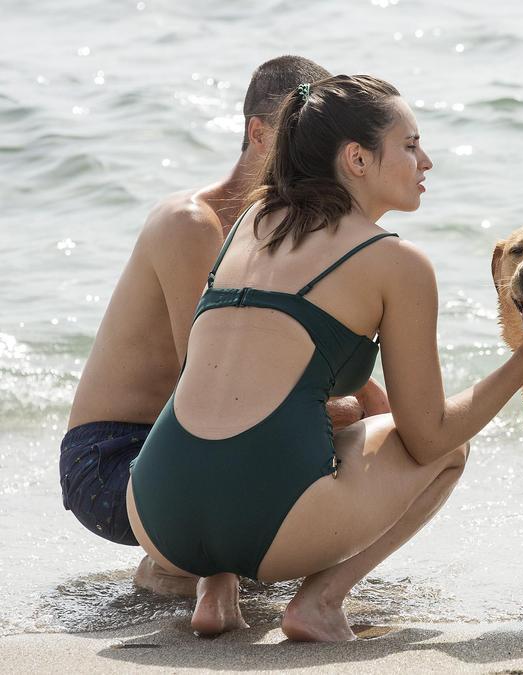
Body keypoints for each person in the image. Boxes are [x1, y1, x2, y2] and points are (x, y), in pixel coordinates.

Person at [125, 74, 523, 641]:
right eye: (409, 145)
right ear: (356, 158)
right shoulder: (395, 263)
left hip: (156, 511)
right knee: (450, 449)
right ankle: (320, 603)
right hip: (265, 525)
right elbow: (428, 437)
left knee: (268, 412)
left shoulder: (250, 224)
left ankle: (216, 587)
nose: (426, 161)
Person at [59, 56, 373, 598]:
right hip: (111, 462)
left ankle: (229, 563)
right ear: (259, 134)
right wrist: (344, 412)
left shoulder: (277, 232)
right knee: (334, 419)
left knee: (370, 426)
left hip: (187, 447)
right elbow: (210, 388)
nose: (317, 160)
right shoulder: (191, 226)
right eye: (301, 137)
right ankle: (179, 563)